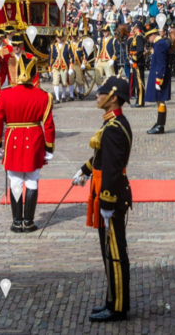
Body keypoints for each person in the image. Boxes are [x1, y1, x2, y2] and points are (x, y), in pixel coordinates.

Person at [72, 76, 133, 323]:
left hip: (111, 199)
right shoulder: (111, 124)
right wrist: (85, 171)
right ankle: (112, 300)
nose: (97, 96)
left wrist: (106, 203)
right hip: (105, 195)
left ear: (113, 97)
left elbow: (112, 169)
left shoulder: (115, 128)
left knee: (115, 254)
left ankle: (118, 307)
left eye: (101, 93)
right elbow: (101, 157)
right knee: (108, 254)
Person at [0, 53, 54, 233]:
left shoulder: (5, 94)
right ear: (35, 74)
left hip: (13, 139)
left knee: (16, 181)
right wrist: (49, 148)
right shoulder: (43, 96)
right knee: (32, 181)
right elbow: (48, 125)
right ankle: (29, 222)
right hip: (35, 138)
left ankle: (16, 221)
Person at [145, 26, 171, 134]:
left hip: (160, 76)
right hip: (158, 75)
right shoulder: (159, 43)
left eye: (148, 38)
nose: (148, 40)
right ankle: (159, 123)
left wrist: (159, 79)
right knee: (159, 100)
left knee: (160, 100)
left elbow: (161, 63)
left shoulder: (160, 44)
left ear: (153, 35)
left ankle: (160, 125)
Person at [48, 30, 74, 103]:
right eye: (58, 37)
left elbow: (71, 57)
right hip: (55, 67)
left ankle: (63, 96)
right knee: (55, 82)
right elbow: (50, 58)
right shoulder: (52, 46)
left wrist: (71, 67)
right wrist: (49, 69)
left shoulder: (67, 46)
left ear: (63, 38)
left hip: (64, 67)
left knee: (64, 83)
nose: (59, 39)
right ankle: (57, 98)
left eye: (61, 37)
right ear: (56, 38)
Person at [129, 21, 146, 108]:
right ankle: (139, 101)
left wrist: (133, 58)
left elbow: (140, 50)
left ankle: (140, 102)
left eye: (134, 27)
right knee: (137, 82)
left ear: (137, 28)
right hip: (136, 62)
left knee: (139, 82)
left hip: (138, 62)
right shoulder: (136, 36)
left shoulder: (139, 37)